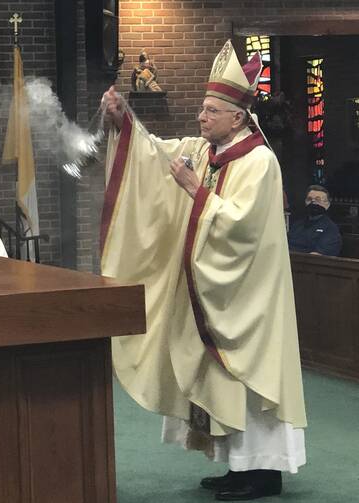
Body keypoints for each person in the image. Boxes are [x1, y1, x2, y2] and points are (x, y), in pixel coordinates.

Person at [101, 40, 306, 501]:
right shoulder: (206, 150)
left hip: (248, 299)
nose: (201, 117)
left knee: (249, 381)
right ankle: (237, 466)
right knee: (220, 381)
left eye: (212, 111)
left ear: (238, 118)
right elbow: (157, 153)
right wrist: (124, 121)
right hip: (214, 296)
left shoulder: (260, 162)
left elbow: (245, 228)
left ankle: (264, 471)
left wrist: (195, 190)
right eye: (202, 109)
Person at [288, 185, 342, 256]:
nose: (313, 202)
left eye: (318, 199)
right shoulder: (297, 224)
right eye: (309, 199)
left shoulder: (331, 229)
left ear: (327, 204)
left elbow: (317, 256)